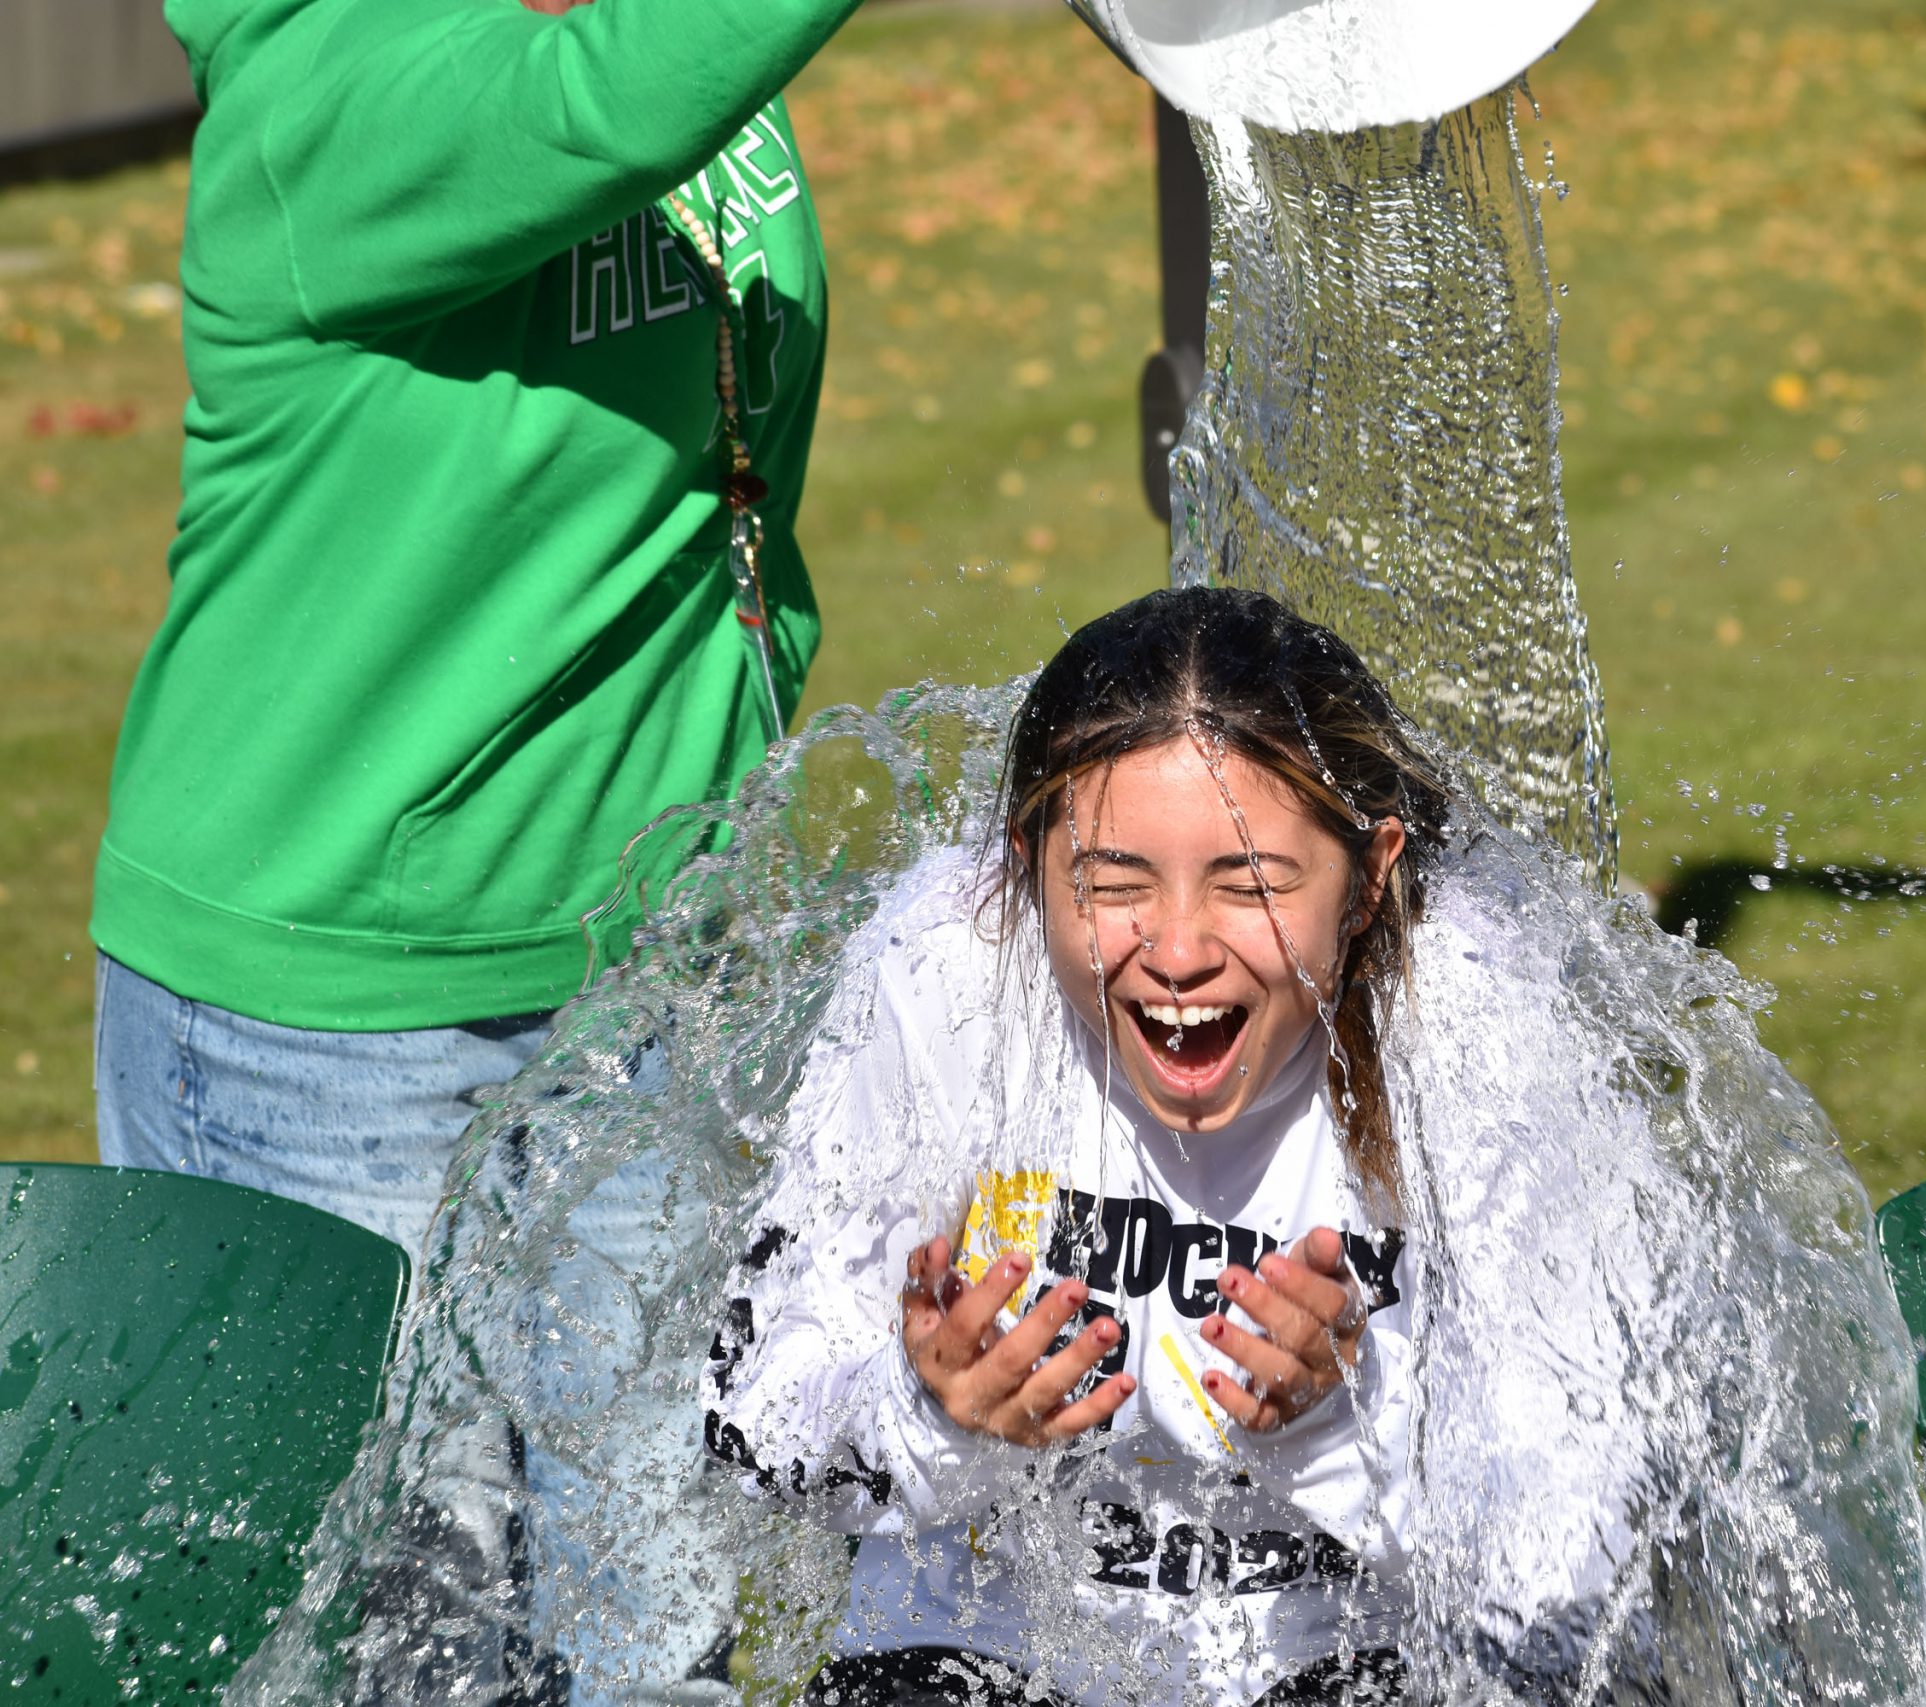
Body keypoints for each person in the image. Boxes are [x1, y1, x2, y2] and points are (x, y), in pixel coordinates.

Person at [90, 0, 866, 1697]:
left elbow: (720, 470)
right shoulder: (325, 77)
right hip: (336, 1030)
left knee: (656, 1631)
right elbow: (611, 107)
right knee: (394, 1650)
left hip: (652, 972)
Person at [702, 587, 1669, 1705]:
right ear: (1027, 863)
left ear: (1368, 874)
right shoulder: (944, 964)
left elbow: (1575, 1551)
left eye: (1250, 884)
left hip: (1357, 1652)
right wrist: (930, 1413)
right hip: (988, 1639)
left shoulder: (1474, 1018)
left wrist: (1330, 1428)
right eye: (1111, 883)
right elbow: (753, 1422)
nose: (1176, 950)